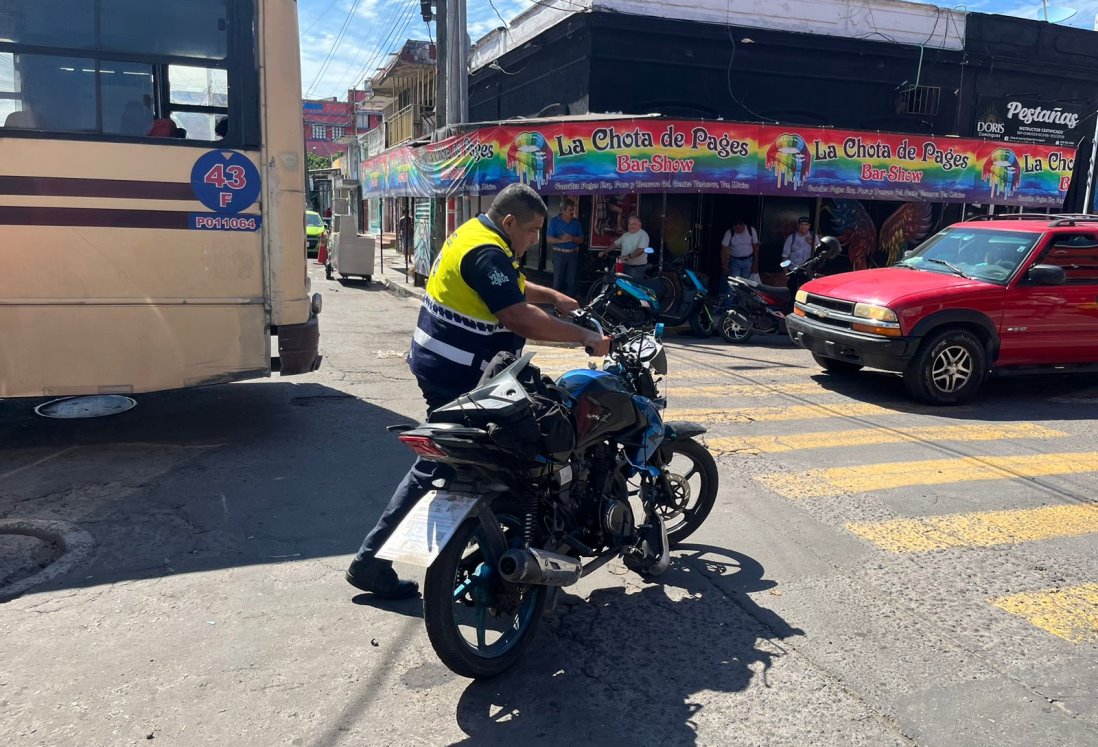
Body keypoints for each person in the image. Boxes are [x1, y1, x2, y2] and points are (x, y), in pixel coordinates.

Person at [346, 183, 611, 600]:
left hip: (450, 365)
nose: (535, 239)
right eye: (533, 231)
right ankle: (373, 560)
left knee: (484, 454)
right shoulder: (487, 251)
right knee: (475, 457)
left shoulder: (479, 234)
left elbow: (510, 286)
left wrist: (556, 297)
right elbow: (518, 316)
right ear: (509, 222)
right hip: (460, 374)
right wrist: (583, 337)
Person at [546, 198, 583, 298]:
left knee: (571, 281)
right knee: (557, 280)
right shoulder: (554, 221)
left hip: (572, 255)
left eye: (573, 209)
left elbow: (581, 240)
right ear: (563, 210)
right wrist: (560, 240)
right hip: (559, 254)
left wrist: (571, 238)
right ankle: (555, 303)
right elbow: (549, 238)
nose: (573, 212)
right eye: (570, 210)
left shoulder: (576, 223)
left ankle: (569, 305)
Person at [600, 214, 650, 280]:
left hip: (636, 268)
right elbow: (615, 244)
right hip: (624, 265)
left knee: (631, 287)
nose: (631, 226)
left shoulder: (643, 234)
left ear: (640, 225)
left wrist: (628, 257)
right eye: (629, 224)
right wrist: (604, 251)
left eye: (634, 224)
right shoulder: (626, 235)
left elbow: (641, 250)